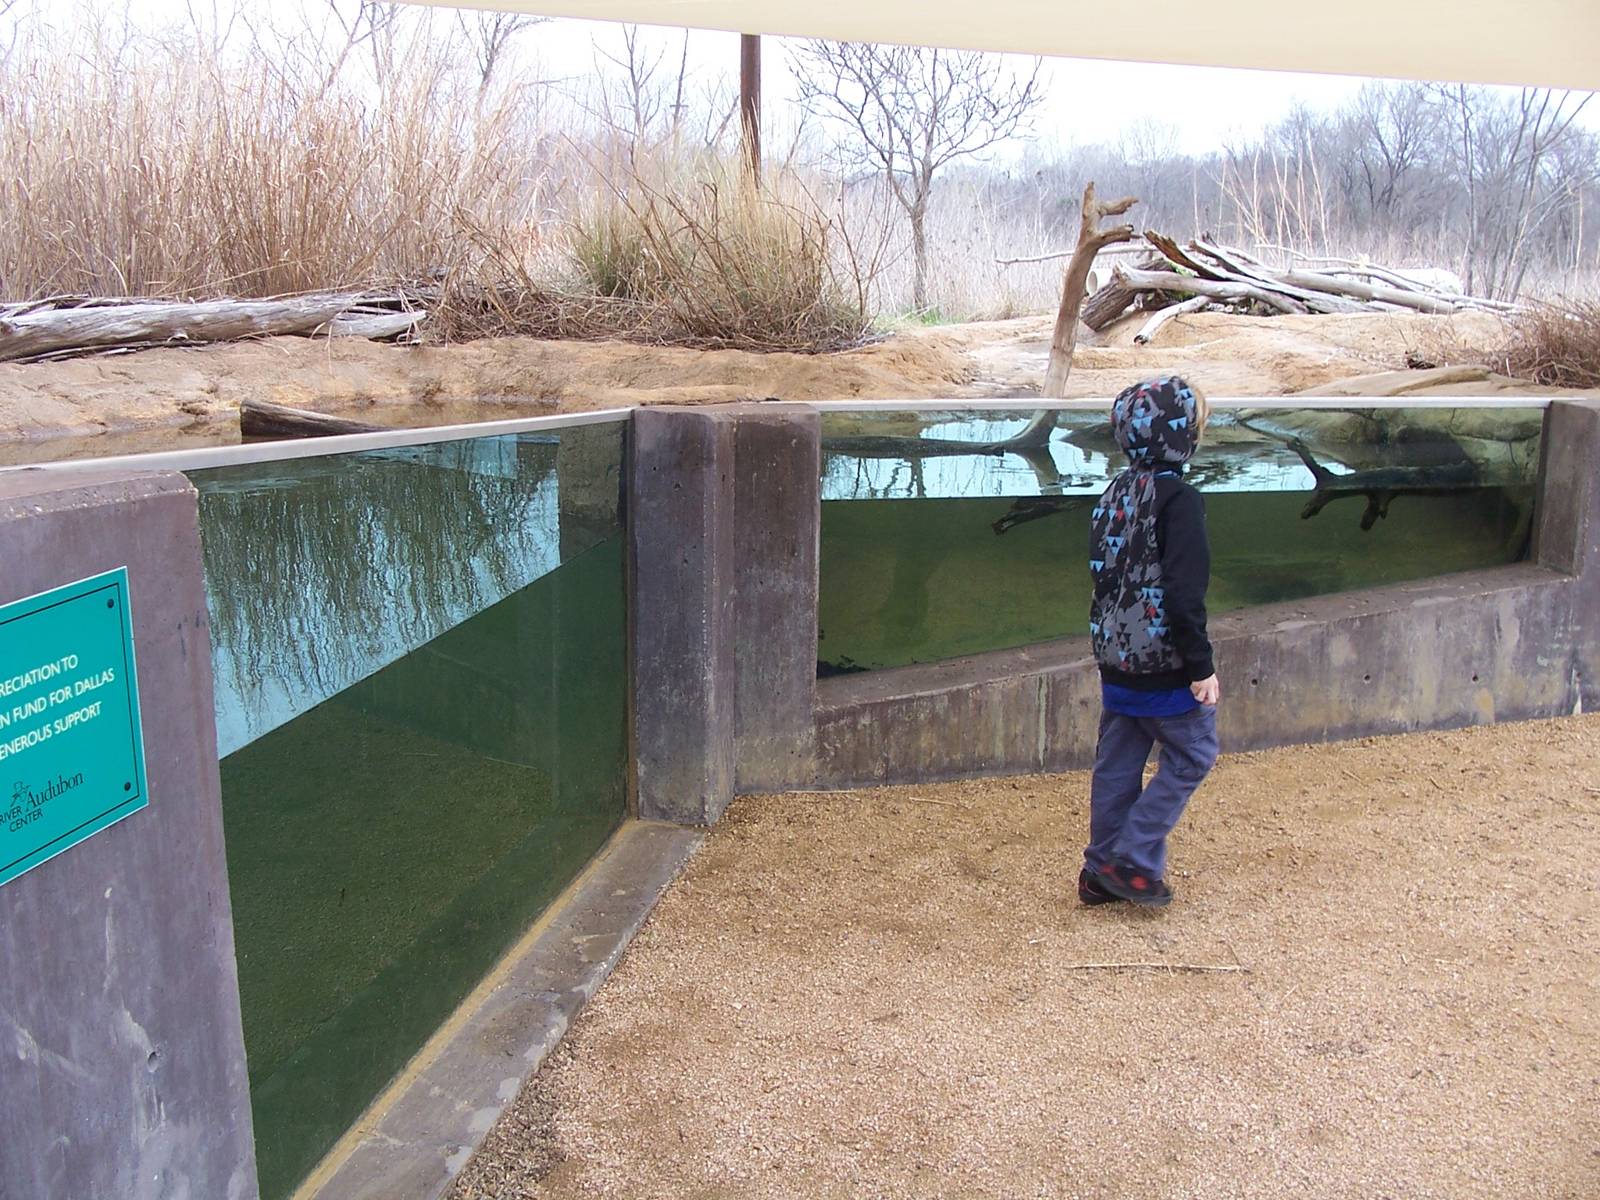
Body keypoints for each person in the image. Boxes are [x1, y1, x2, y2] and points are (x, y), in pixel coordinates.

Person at [1079, 375, 1219, 909]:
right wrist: (1200, 667)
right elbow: (1185, 593)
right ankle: (1131, 862)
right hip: (1164, 666)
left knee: (1118, 762)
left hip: (1115, 663)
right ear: (1184, 436)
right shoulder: (1179, 500)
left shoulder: (1112, 494)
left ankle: (1099, 873)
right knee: (1194, 753)